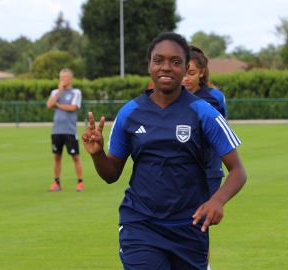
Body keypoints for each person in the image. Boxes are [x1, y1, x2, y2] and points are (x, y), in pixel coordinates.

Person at [82, 32, 247, 269]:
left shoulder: (204, 112)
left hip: (190, 225)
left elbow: (238, 170)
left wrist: (218, 200)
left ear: (185, 67)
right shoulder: (129, 113)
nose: (166, 67)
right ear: (149, 66)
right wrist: (97, 153)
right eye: (158, 60)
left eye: (176, 62)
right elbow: (111, 175)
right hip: (140, 223)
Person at [182, 45, 227, 270]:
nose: (185, 78)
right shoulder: (169, 96)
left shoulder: (214, 98)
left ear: (202, 72)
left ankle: (203, 266)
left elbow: (219, 137)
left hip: (208, 172)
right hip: (178, 173)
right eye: (183, 72)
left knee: (198, 224)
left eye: (191, 73)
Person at [46, 68, 84, 192]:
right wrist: (59, 93)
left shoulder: (76, 92)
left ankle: (80, 182)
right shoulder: (55, 92)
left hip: (70, 130)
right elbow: (49, 105)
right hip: (56, 130)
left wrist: (58, 104)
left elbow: (72, 108)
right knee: (57, 156)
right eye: (61, 77)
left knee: (75, 156)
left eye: (65, 77)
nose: (62, 79)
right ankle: (56, 183)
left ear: (71, 79)